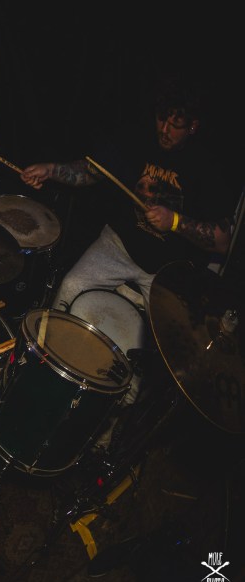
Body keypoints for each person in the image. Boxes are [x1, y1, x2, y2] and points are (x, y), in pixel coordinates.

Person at [20, 75, 236, 437]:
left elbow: (223, 241)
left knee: (148, 349)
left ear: (193, 125)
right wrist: (51, 170)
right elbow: (90, 171)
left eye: (176, 124)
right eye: (161, 119)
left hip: (167, 272)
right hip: (120, 244)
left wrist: (175, 221)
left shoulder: (208, 165)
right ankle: (49, 376)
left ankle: (110, 426)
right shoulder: (138, 137)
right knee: (70, 286)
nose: (164, 130)